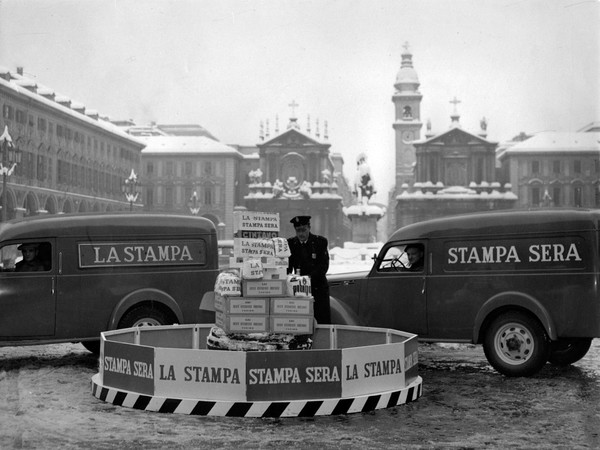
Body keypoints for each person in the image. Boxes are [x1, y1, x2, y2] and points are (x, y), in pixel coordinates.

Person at [287, 215, 331, 324]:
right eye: (298, 231)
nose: (301, 234)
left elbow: (323, 267)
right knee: (302, 322)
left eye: (303, 230)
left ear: (309, 227)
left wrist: (307, 279)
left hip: (317, 288)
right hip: (300, 290)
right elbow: (288, 266)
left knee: (322, 320)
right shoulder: (291, 243)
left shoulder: (320, 242)